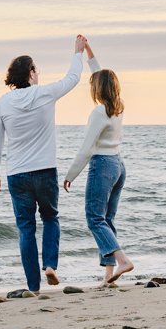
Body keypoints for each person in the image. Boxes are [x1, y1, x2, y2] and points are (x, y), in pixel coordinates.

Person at [0, 34, 100, 292]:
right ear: (30, 73)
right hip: (45, 171)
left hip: (17, 174)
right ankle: (50, 265)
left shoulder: (2, 103)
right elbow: (72, 78)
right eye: (35, 69)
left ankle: (33, 287)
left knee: (26, 228)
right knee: (50, 218)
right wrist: (77, 52)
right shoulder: (45, 94)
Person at [63, 40, 134, 285]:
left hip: (103, 166)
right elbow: (100, 76)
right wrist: (88, 53)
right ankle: (109, 273)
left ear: (98, 89)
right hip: (118, 165)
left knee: (95, 219)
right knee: (107, 220)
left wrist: (70, 175)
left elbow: (86, 149)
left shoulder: (99, 112)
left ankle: (122, 260)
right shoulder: (118, 106)